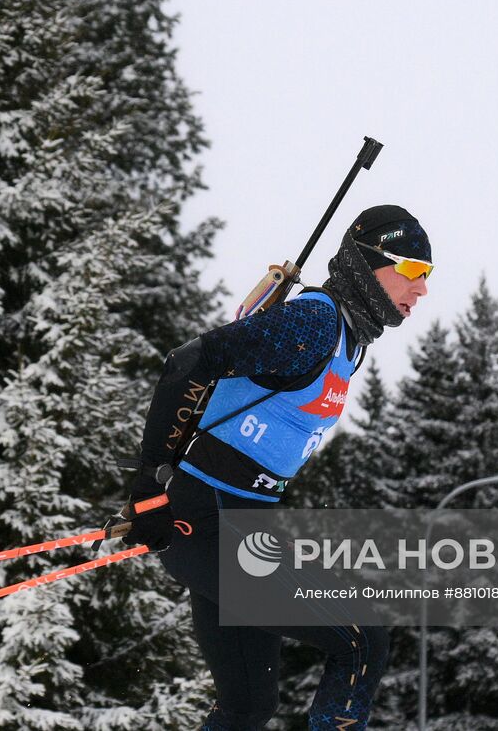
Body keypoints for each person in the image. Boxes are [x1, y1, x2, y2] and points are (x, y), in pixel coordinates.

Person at [124, 205, 433, 730]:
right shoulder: (316, 322)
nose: (421, 289)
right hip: (205, 520)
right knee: (361, 638)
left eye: (427, 277)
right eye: (410, 271)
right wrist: (149, 488)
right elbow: (189, 361)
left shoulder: (348, 340)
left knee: (247, 709)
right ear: (366, 264)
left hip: (240, 525)